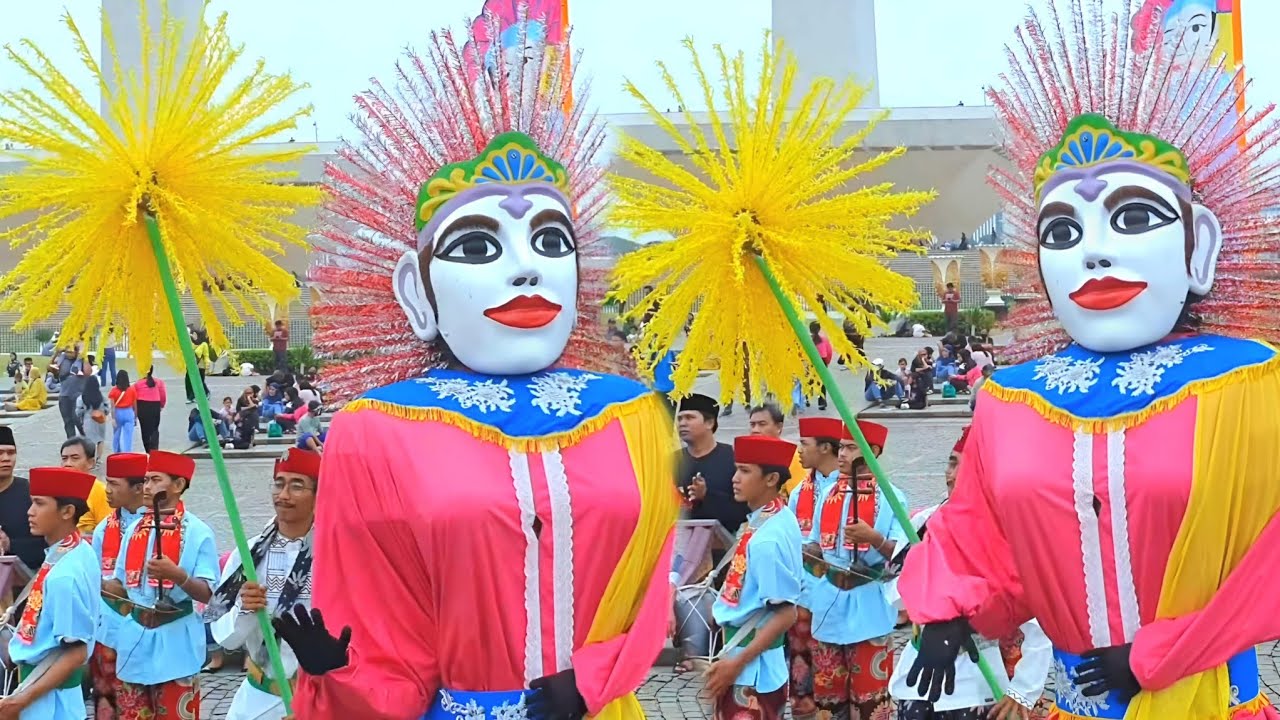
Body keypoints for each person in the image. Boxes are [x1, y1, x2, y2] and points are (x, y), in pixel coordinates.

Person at [269, 35, 679, 718]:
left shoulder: (631, 417)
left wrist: (591, 679)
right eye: (479, 245)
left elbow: (652, 579)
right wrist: (340, 673)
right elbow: (379, 620)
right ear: (416, 289)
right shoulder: (376, 432)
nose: (527, 268)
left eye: (551, 240)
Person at [899, 7, 1280, 718]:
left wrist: (1167, 651)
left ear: (1199, 245)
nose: (1094, 252)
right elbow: (982, 530)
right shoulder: (1014, 401)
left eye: (1133, 219)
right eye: (1063, 230)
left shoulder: (1253, 385)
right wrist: (949, 608)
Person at [888, 428, 1051, 719]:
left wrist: (1024, 690)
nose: (952, 475)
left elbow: (1039, 623)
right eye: (951, 463)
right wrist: (921, 575)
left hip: (978, 687)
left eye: (965, 467)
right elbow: (895, 597)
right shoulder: (924, 522)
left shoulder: (1005, 532)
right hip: (918, 680)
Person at [798, 420, 906, 719]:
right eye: (842, 447)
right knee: (828, 704)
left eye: (849, 448)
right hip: (828, 608)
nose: (842, 454)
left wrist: (874, 539)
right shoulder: (828, 493)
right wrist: (803, 551)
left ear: (873, 451)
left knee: (870, 702)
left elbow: (903, 555)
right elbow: (814, 543)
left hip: (870, 609)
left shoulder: (892, 497)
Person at [209, 448, 319, 720]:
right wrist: (244, 609)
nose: (283, 495)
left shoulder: (336, 556)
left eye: (297, 486)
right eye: (279, 484)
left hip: (318, 701)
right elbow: (224, 637)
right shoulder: (248, 554)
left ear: (319, 495)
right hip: (257, 699)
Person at [110, 450, 218, 719]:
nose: (147, 487)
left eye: (155, 480)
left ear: (178, 485)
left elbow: (209, 593)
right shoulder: (135, 529)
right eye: (146, 480)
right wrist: (90, 580)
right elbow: (120, 585)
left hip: (176, 644)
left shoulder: (197, 532)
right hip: (134, 643)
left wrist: (178, 575)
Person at [704, 434, 803, 719]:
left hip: (751, 672)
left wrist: (737, 663)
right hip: (753, 663)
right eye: (737, 469)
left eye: (745, 471)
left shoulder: (766, 541)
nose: (735, 478)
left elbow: (785, 613)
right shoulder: (775, 515)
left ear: (771, 479)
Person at [0, 466, 100, 720]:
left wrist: (18, 702)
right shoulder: (76, 549)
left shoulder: (64, 575)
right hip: (50, 693)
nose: (30, 511)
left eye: (39, 503)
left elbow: (76, 651)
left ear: (67, 511)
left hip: (49, 702)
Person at [786, 417, 845, 718]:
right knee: (801, 671)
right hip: (803, 596)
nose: (799, 450)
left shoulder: (852, 489)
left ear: (825, 448)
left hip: (839, 596)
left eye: (804, 444)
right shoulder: (800, 492)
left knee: (834, 676)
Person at [90, 452, 150, 720]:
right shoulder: (105, 529)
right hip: (109, 632)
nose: (107, 490)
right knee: (109, 704)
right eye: (107, 482)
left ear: (138, 488)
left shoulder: (164, 527)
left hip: (149, 631)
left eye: (114, 484)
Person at [677, 393, 748, 537]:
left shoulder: (733, 459)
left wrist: (706, 496)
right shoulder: (671, 461)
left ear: (710, 423)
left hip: (723, 544)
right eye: (680, 418)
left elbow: (744, 510)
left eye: (690, 418)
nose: (682, 423)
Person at [0, 426, 46, 571]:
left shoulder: (32, 494)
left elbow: (48, 545)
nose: (6, 458)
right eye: (0, 453)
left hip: (25, 578)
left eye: (11, 452)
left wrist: (9, 544)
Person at [747, 403, 806, 497]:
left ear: (779, 427)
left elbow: (799, 498)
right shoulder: (746, 455)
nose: (755, 430)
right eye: (752, 425)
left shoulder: (791, 457)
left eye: (762, 424)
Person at [58, 437, 112, 534]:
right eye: (64, 459)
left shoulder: (101, 492)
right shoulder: (55, 489)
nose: (67, 463)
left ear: (91, 463)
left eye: (75, 458)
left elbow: (108, 531)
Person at [56, 347, 87, 438]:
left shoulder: (81, 360)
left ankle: (86, 437)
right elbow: (51, 368)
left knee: (77, 418)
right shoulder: (62, 360)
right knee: (67, 421)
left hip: (78, 395)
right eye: (67, 351)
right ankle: (71, 441)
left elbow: (88, 372)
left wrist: (83, 356)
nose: (69, 353)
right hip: (64, 395)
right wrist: (56, 354)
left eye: (71, 352)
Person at [132, 368, 166, 453]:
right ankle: (155, 449)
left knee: (145, 429)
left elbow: (133, 397)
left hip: (142, 406)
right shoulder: (159, 382)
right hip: (155, 405)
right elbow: (163, 395)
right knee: (155, 429)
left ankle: (148, 450)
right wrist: (161, 405)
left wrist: (134, 410)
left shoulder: (137, 384)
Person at [77, 377, 110, 462]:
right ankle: (98, 459)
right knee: (100, 439)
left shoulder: (82, 397)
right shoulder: (101, 396)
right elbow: (107, 408)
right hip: (100, 420)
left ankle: (90, 458)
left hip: (88, 420)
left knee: (89, 440)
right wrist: (103, 412)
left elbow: (78, 412)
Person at [108, 370, 138, 453]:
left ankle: (117, 451)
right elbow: (135, 405)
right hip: (129, 412)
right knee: (128, 436)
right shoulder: (132, 390)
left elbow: (112, 407)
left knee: (116, 434)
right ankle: (127, 452)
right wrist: (135, 417)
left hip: (118, 412)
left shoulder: (113, 391)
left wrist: (113, 418)